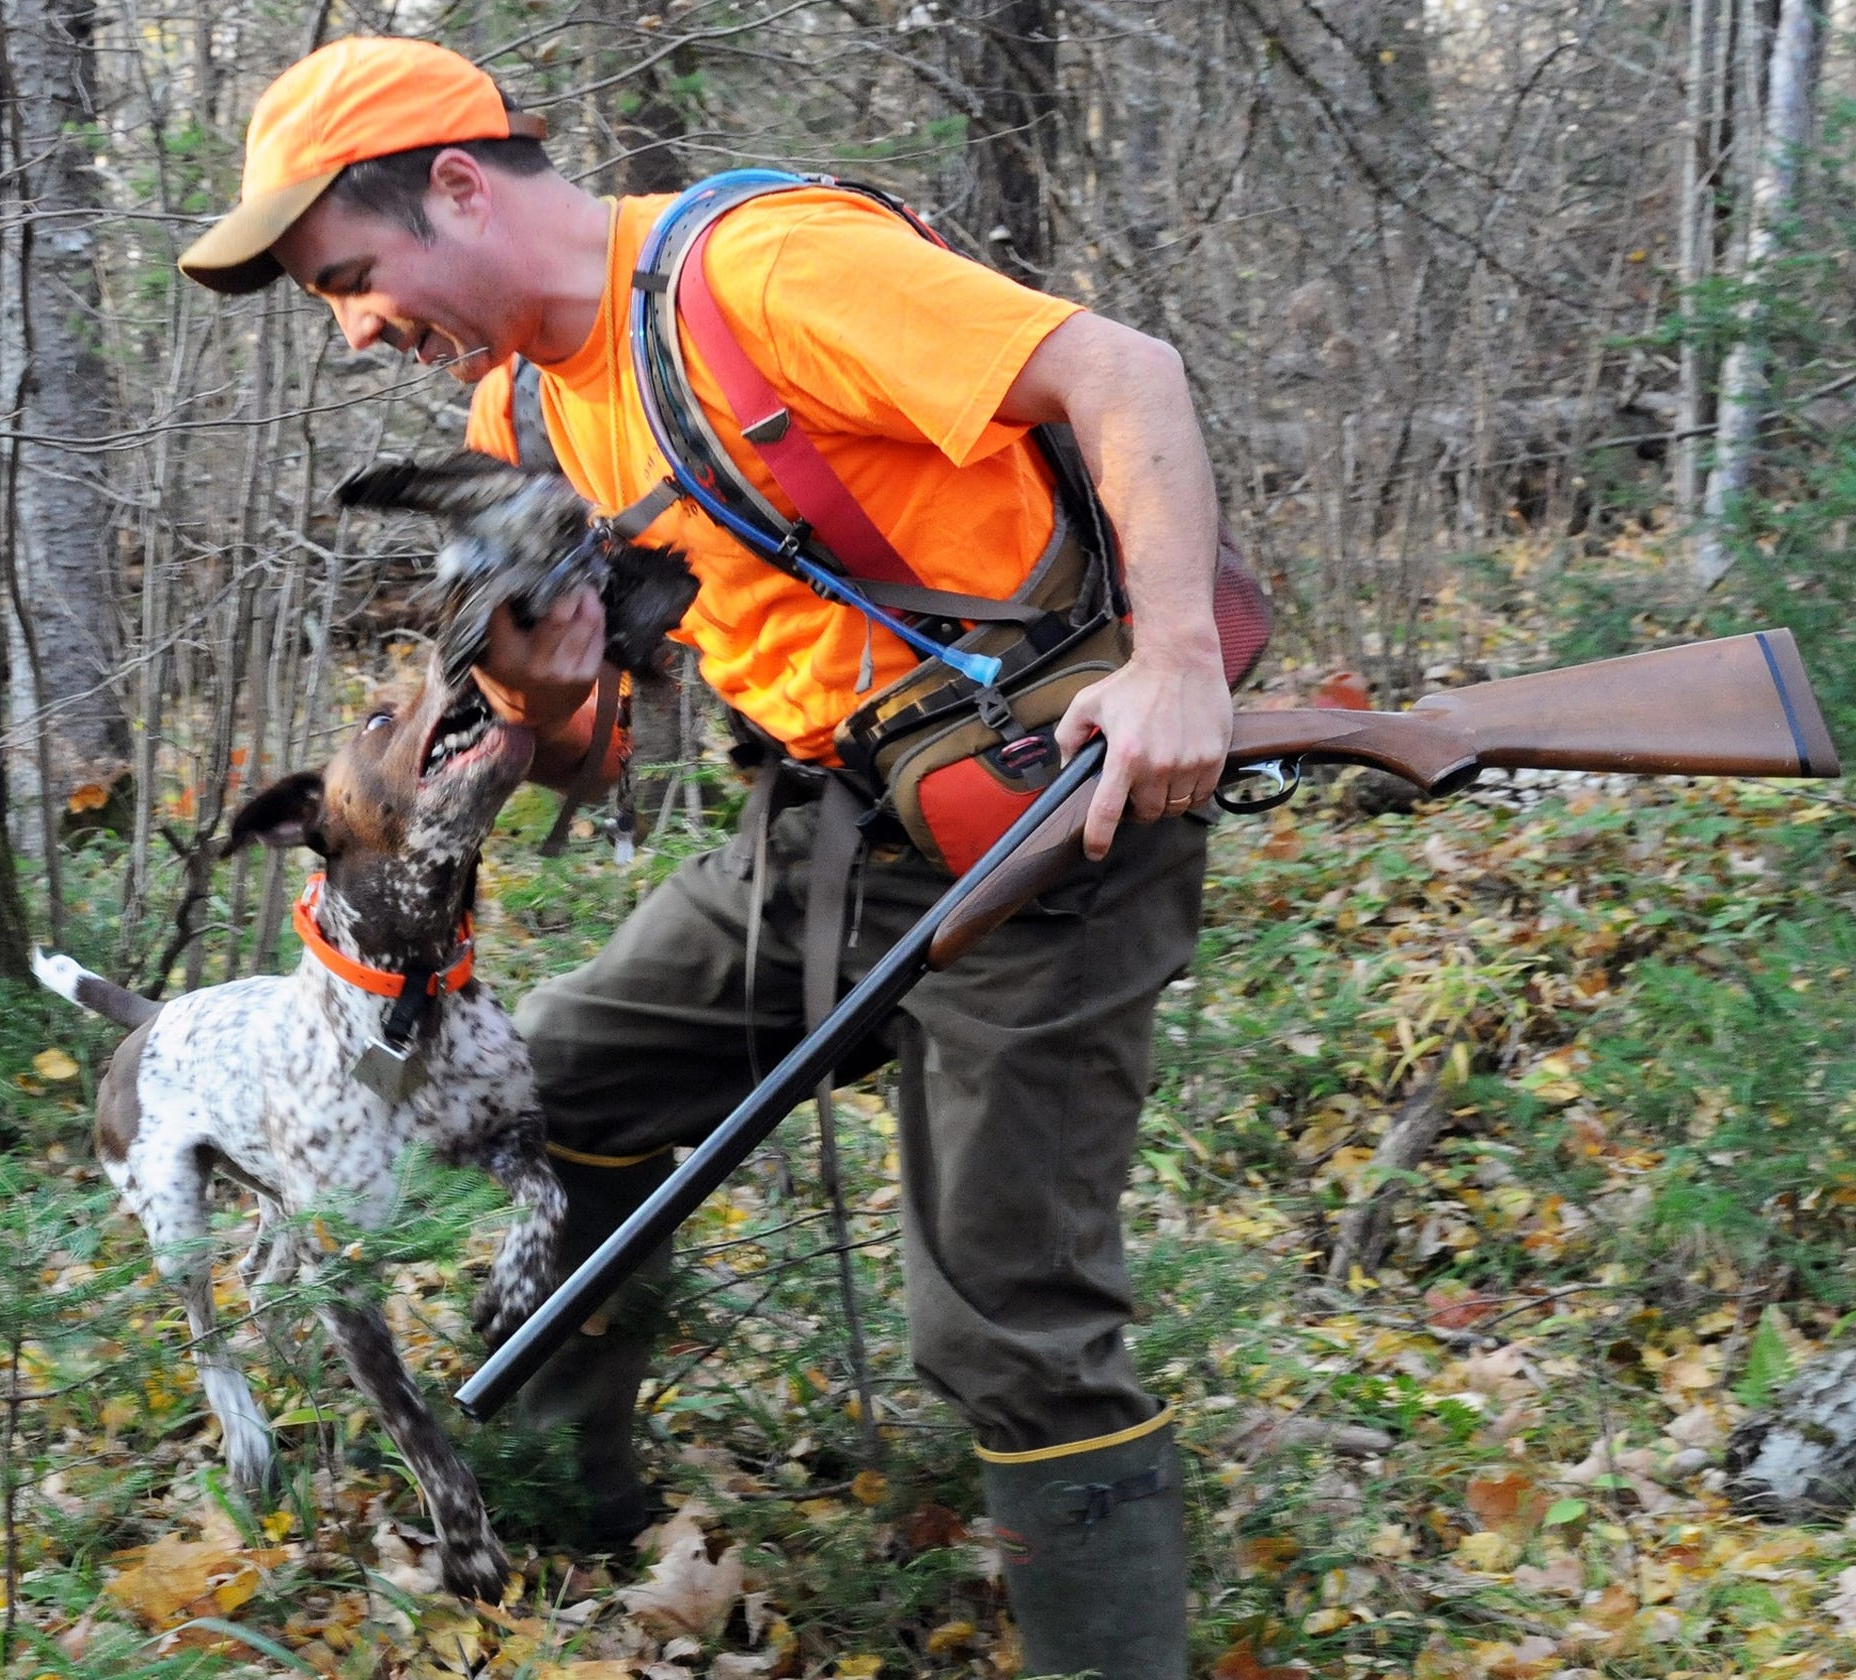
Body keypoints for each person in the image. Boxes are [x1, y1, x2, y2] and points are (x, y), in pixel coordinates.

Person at [176, 36, 1234, 1677]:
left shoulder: (762, 274)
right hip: (818, 827)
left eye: (356, 276)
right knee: (563, 1093)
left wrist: (1177, 664)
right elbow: (601, 753)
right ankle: (559, 1518)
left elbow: (1125, 372)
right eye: (333, 301)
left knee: (1007, 1322)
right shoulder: (515, 410)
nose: (359, 327)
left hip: (1049, 814)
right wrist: (536, 709)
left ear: (459, 184)